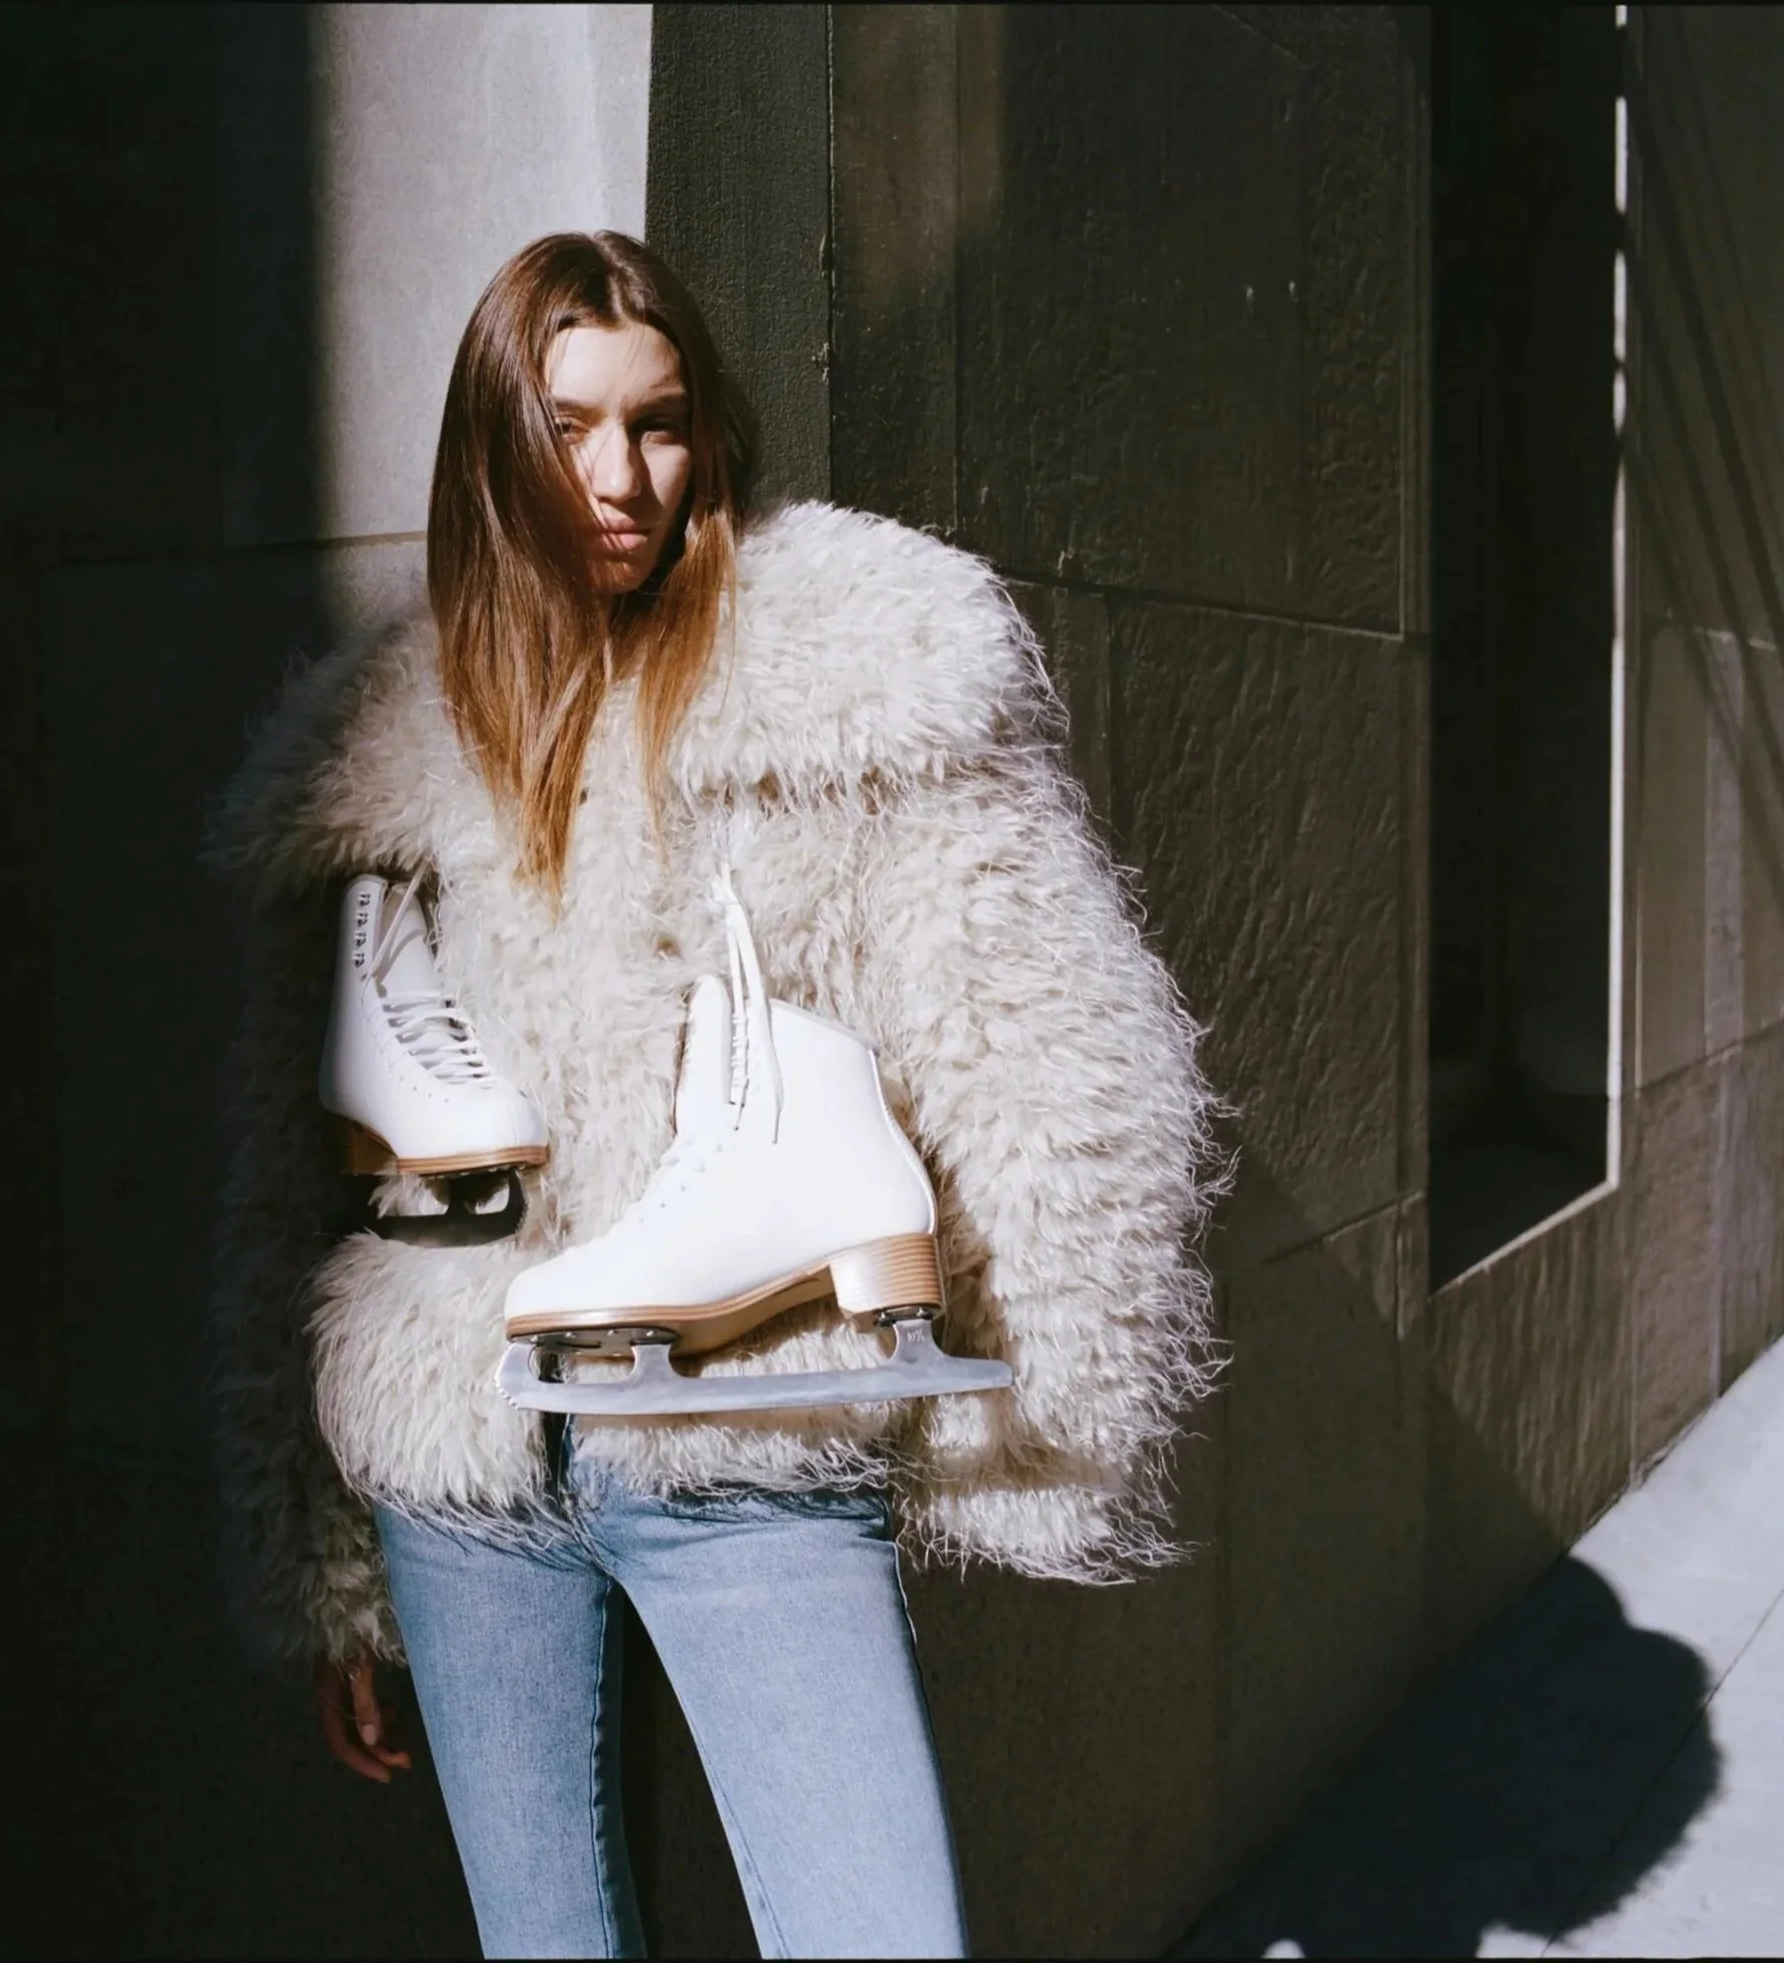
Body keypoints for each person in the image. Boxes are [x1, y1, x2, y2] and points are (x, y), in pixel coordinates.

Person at [206, 232, 1216, 1960]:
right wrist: (325, 1560)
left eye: (658, 423)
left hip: (743, 1422)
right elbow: (288, 1188)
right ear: (488, 447)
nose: (619, 477)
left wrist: (1037, 1424)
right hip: (453, 1461)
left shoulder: (842, 667)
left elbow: (1047, 1060)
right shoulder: (374, 743)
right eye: (569, 425)